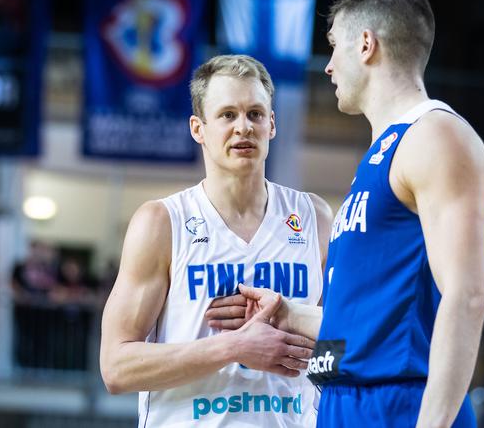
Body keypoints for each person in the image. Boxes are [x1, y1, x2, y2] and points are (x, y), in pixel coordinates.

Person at [210, 0, 484, 427]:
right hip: (346, 400)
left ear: (365, 45)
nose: (328, 65)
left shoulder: (436, 135)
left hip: (397, 405)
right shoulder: (382, 156)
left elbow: (468, 297)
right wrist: (290, 314)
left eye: (334, 45)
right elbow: (372, 329)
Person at [100, 55, 332, 427]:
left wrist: (298, 328)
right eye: (227, 115)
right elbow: (115, 366)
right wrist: (234, 347)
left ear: (272, 124)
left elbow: (342, 348)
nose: (244, 127)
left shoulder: (314, 218)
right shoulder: (162, 222)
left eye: (256, 114)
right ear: (198, 128)